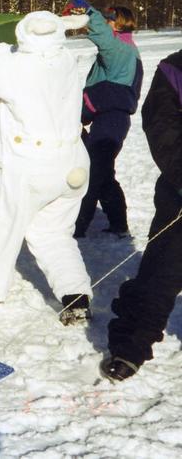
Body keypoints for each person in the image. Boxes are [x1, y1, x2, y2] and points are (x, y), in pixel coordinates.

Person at [0, 11, 94, 325]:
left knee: (4, 230)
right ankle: (76, 295)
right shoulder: (65, 60)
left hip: (29, 167)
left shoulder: (15, 69)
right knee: (54, 233)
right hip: (71, 165)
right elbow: (29, 56)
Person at [101, 49, 182, 381]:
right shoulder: (175, 68)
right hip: (179, 193)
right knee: (162, 272)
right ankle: (132, 345)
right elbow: (162, 125)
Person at [63, 0, 143, 239]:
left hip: (112, 121)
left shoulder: (120, 49)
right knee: (104, 174)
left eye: (109, 19)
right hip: (108, 119)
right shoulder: (123, 50)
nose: (105, 22)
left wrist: (88, 11)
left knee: (92, 174)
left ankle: (76, 227)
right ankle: (118, 224)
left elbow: (102, 36)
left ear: (118, 25)